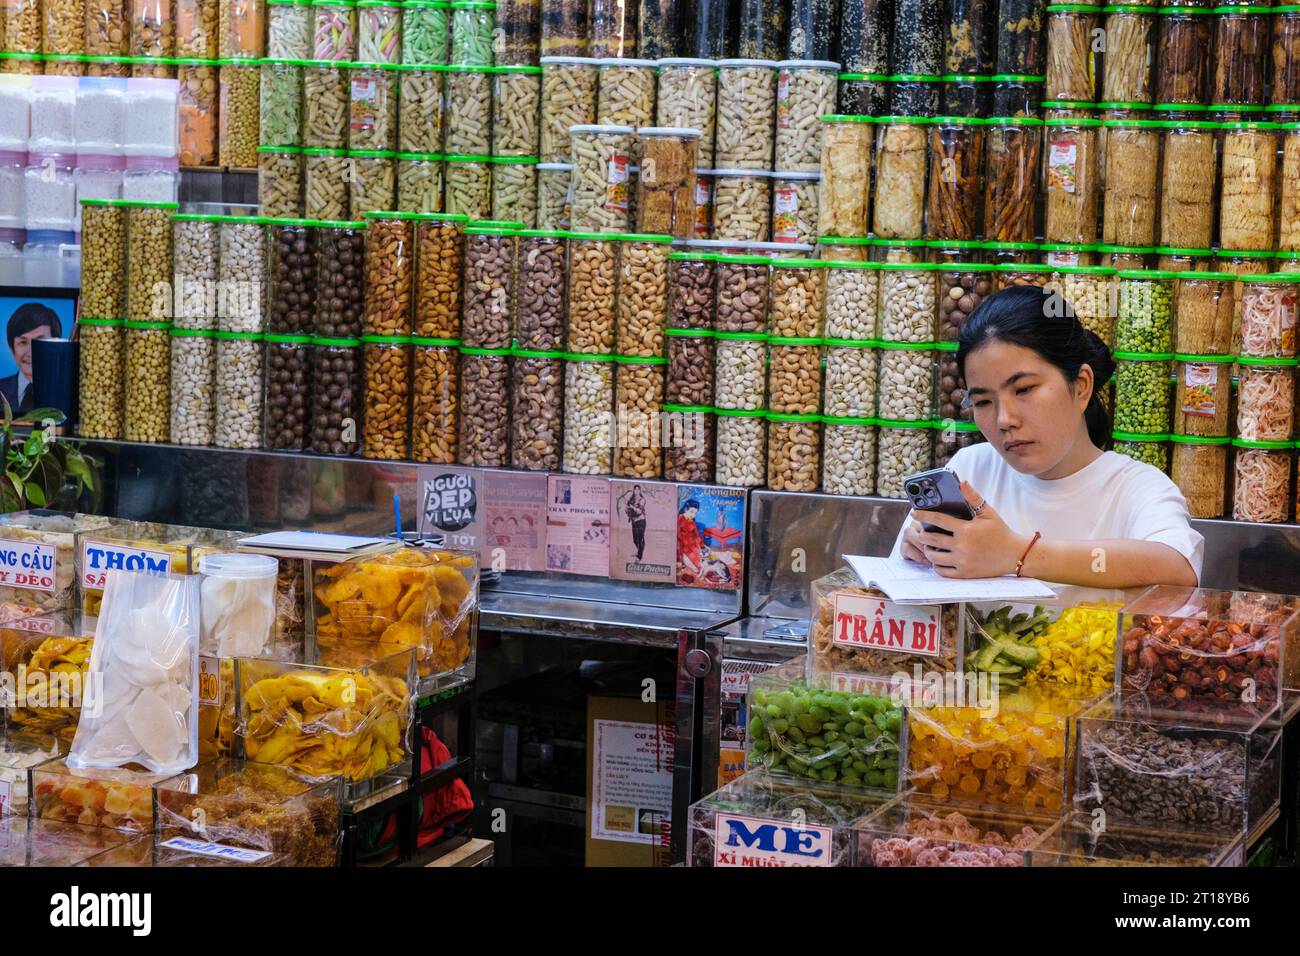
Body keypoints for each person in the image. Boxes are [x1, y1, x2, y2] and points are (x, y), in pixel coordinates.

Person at [892, 285, 1202, 606]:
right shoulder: (969, 470)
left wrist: (1017, 553)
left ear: (1081, 386)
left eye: (1024, 389)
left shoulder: (1136, 487)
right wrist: (918, 552)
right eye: (983, 401)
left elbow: (1178, 568)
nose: (1004, 419)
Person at [0, 303, 61, 416]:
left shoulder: (68, 392)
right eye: (23, 342)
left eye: (40, 341)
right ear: (11, 348)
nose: (31, 353)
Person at [625, 485, 648, 561]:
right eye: (635, 489)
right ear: (633, 491)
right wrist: (628, 510)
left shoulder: (642, 499)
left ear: (640, 491)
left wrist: (632, 507)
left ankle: (639, 557)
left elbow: (639, 511)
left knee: (640, 538)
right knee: (635, 539)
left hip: (641, 521)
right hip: (634, 521)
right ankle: (639, 552)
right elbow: (626, 509)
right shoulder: (631, 499)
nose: (636, 491)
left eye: (638, 489)